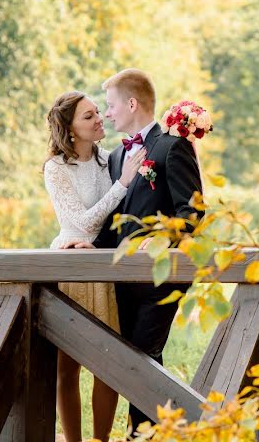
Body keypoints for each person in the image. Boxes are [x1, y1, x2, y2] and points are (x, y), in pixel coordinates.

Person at [94, 68, 204, 433]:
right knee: (139, 360)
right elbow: (116, 221)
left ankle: (158, 431)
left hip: (161, 278)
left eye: (110, 106)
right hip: (121, 280)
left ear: (131, 103)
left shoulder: (172, 147)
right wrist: (84, 246)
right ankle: (166, 431)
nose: (107, 114)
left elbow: (193, 211)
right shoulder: (113, 159)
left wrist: (157, 243)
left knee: (141, 359)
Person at [43, 90, 147, 442]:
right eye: (88, 116)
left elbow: (117, 217)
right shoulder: (55, 169)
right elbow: (83, 223)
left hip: (104, 266)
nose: (99, 119)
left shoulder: (112, 159)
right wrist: (122, 184)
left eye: (98, 112)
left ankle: (101, 440)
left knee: (107, 362)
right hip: (70, 266)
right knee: (66, 366)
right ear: (70, 129)